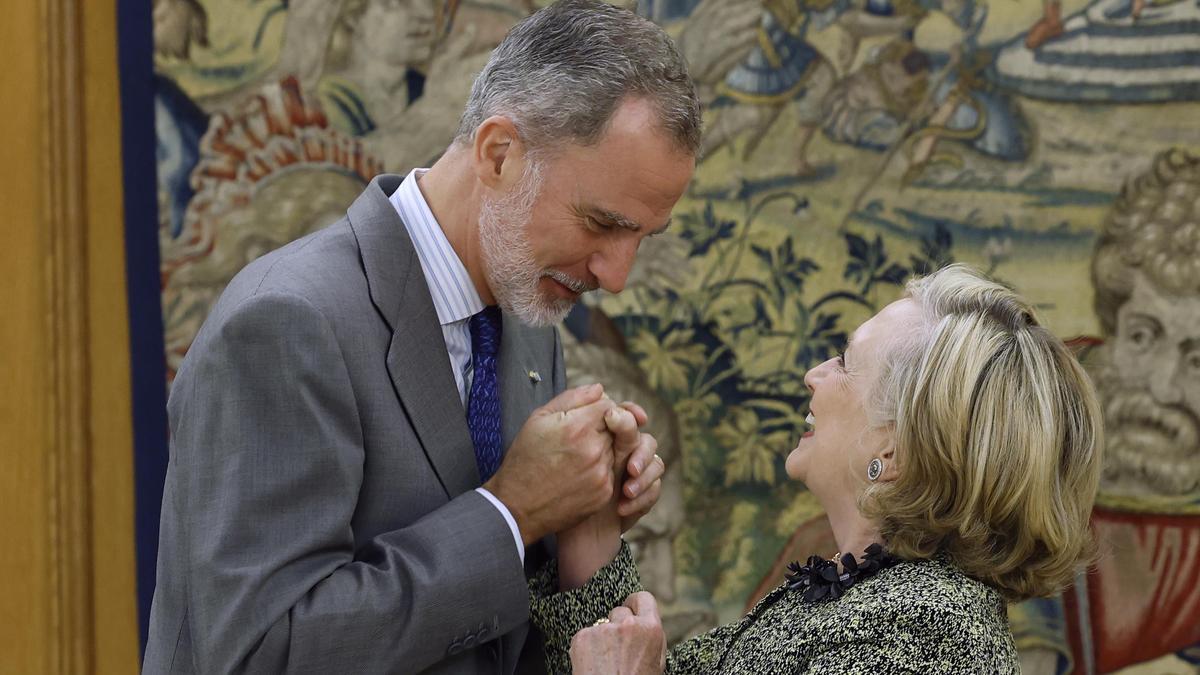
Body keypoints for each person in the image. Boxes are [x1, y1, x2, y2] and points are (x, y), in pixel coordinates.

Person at [142, 1, 700, 673]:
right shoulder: (285, 322)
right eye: (601, 223)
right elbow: (263, 649)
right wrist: (513, 511)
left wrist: (580, 514)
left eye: (642, 236)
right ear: (499, 153)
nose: (616, 273)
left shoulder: (528, 322)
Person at [528, 264, 1103, 673]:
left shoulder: (923, 632)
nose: (815, 374)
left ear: (896, 448)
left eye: (847, 363)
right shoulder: (863, 596)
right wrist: (593, 525)